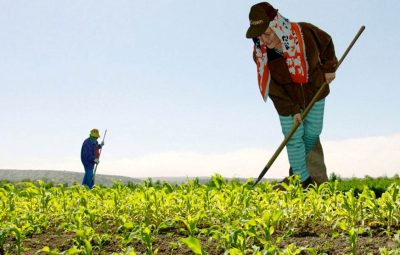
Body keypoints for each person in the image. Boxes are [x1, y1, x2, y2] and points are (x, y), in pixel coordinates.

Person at [246, 2, 337, 188]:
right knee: (294, 138)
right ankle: (302, 182)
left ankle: (297, 173)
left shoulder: (305, 32)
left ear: (277, 25)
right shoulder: (261, 55)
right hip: (285, 101)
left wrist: (329, 68)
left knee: (313, 132)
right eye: (259, 35)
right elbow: (273, 88)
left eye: (267, 32)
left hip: (315, 91)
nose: (264, 39)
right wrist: (292, 110)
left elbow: (326, 42)